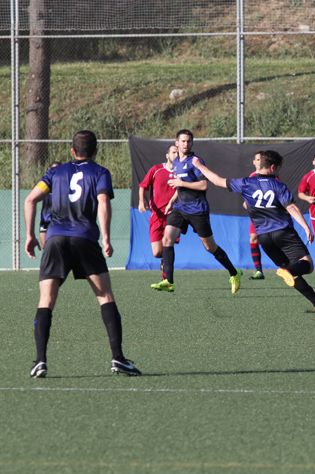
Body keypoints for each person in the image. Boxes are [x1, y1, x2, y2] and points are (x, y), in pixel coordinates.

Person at [23, 130, 141, 378]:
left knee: (46, 300)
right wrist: (106, 237)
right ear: (96, 150)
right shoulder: (100, 172)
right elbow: (103, 203)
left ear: (72, 150)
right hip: (85, 238)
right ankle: (118, 358)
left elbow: (30, 200)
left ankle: (40, 361)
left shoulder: (55, 173)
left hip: (55, 239)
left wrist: (30, 235)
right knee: (105, 296)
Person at [191, 151, 315, 313]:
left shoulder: (246, 182)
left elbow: (217, 180)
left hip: (264, 238)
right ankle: (289, 272)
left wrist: (199, 166)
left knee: (291, 273)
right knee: (307, 264)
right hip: (283, 233)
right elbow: (291, 207)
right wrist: (305, 226)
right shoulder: (278, 185)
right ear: (273, 167)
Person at [151, 129, 243, 294]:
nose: (186, 144)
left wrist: (181, 183)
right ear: (177, 143)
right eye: (183, 141)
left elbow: (203, 185)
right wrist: (172, 201)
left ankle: (234, 273)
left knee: (209, 247)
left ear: (192, 143)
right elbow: (179, 186)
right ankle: (169, 281)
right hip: (180, 208)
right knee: (167, 238)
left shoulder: (195, 161)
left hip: (197, 209)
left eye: (189, 141)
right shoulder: (177, 162)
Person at [138, 145, 179, 283]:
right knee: (157, 252)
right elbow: (143, 186)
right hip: (157, 215)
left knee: (168, 244)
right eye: (173, 152)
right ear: (167, 155)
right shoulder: (156, 169)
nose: (176, 155)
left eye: (178, 153)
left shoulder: (181, 173)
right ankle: (165, 260)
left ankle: (167, 279)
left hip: (173, 216)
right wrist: (141, 201)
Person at [246, 150, 265, 280]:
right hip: (256, 214)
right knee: (253, 239)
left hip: (271, 215)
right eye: (258, 159)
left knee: (274, 241)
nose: (260, 161)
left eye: (262, 159)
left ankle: (286, 267)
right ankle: (259, 271)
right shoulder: (251, 177)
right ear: (254, 162)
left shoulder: (271, 176)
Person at [37, 161, 61, 248]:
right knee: (45, 248)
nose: (55, 171)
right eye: (53, 169)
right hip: (46, 219)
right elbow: (33, 199)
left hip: (60, 221)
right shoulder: (45, 184)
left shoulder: (64, 185)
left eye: (58, 169)